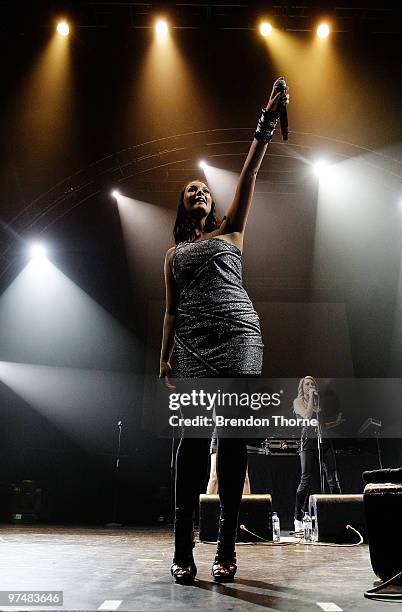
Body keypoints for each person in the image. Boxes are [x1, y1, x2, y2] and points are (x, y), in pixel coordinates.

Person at [159, 77, 289, 584]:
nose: (198, 191)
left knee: (232, 443)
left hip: (238, 338)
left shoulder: (232, 229)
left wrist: (266, 120)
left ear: (213, 202)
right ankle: (183, 545)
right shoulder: (172, 254)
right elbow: (171, 312)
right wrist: (165, 356)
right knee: (191, 444)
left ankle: (228, 547)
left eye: (203, 189)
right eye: (190, 190)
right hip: (192, 346)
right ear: (182, 205)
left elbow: (250, 170)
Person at [293, 376, 343, 533]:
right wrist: (310, 401)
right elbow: (307, 417)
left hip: (324, 439)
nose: (310, 385)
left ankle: (339, 513)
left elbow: (320, 423)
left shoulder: (318, 403)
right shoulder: (298, 402)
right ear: (302, 387)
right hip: (308, 440)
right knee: (305, 479)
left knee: (333, 478)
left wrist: (335, 423)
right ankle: (297, 518)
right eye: (306, 384)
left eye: (312, 383)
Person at [206, 429, 251, 495]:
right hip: (219, 438)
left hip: (237, 439)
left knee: (244, 478)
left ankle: (247, 505)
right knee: (214, 477)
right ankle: (207, 505)